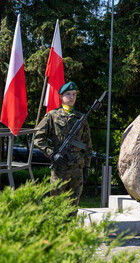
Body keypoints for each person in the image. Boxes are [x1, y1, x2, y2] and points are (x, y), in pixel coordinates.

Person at [34, 82, 92, 210]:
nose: (71, 97)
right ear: (61, 96)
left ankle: (71, 229)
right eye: (68, 94)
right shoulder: (52, 116)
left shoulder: (81, 118)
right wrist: (52, 154)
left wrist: (86, 167)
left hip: (77, 169)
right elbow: (38, 139)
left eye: (74, 94)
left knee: (73, 206)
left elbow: (87, 145)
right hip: (60, 168)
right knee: (57, 206)